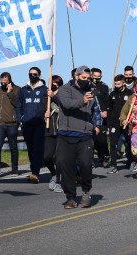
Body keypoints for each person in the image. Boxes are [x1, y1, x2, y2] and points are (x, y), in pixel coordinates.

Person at [52, 66, 101, 209]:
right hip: (66, 135)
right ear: (76, 76)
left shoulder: (91, 92)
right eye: (83, 78)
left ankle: (86, 192)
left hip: (85, 135)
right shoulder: (65, 90)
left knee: (86, 165)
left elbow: (96, 109)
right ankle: (71, 198)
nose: (86, 81)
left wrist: (97, 125)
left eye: (88, 78)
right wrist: (83, 101)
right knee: (64, 165)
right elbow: (67, 105)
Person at [17, 67, 49, 184]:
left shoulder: (44, 90)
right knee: (30, 149)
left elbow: (49, 105)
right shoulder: (23, 90)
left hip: (39, 123)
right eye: (30, 74)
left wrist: (47, 113)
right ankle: (33, 169)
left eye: (35, 74)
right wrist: (21, 118)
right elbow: (19, 105)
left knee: (38, 148)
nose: (32, 76)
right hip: (27, 123)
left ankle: (35, 172)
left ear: (39, 75)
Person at [0, 72, 20, 177]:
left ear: (9, 81)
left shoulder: (17, 89)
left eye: (5, 83)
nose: (3, 84)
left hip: (12, 124)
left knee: (13, 147)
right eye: (1, 82)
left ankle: (15, 169)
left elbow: (18, 104)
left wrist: (10, 92)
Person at [106, 74, 133, 174]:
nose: (117, 86)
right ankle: (113, 165)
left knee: (129, 143)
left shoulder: (130, 94)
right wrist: (109, 124)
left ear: (123, 83)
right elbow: (109, 110)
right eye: (115, 84)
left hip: (126, 122)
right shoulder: (112, 94)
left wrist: (129, 120)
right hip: (115, 123)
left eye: (119, 84)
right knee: (113, 144)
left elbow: (132, 110)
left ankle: (131, 162)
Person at [44, 76, 63, 193]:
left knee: (59, 158)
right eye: (52, 83)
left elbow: (64, 105)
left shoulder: (62, 94)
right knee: (47, 156)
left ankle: (59, 180)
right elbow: (40, 108)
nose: (54, 84)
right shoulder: (45, 96)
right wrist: (44, 114)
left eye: (56, 83)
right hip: (49, 130)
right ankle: (54, 173)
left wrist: (53, 96)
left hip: (61, 130)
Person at [90, 68, 110, 168]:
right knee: (91, 139)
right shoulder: (88, 86)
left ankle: (105, 156)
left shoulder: (104, 87)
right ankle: (90, 159)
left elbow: (108, 100)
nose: (97, 78)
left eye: (99, 77)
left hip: (102, 116)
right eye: (95, 76)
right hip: (91, 116)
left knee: (101, 140)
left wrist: (106, 110)